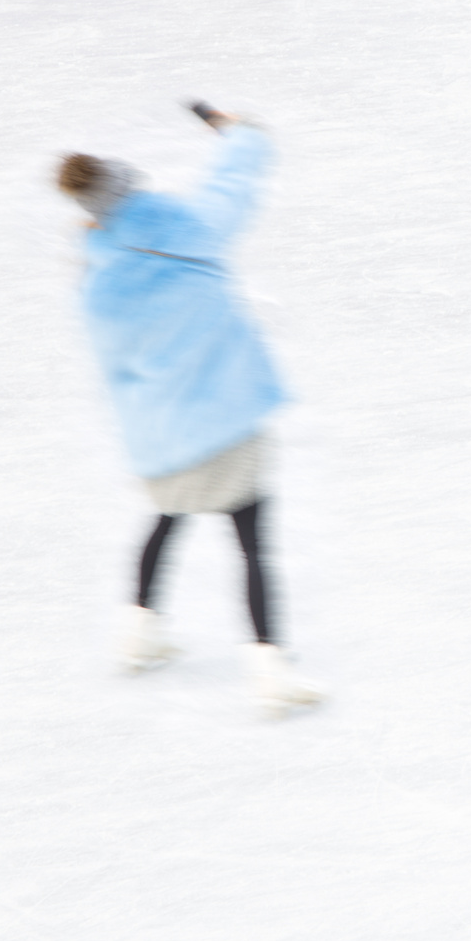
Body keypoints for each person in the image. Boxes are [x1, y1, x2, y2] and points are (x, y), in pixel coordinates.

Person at [56, 103, 321, 719]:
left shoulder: (95, 288)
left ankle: (138, 630)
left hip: (164, 437)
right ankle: (270, 667)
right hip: (226, 420)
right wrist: (241, 133)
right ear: (127, 185)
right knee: (253, 543)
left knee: (168, 515)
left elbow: (115, 372)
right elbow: (232, 184)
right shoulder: (187, 225)